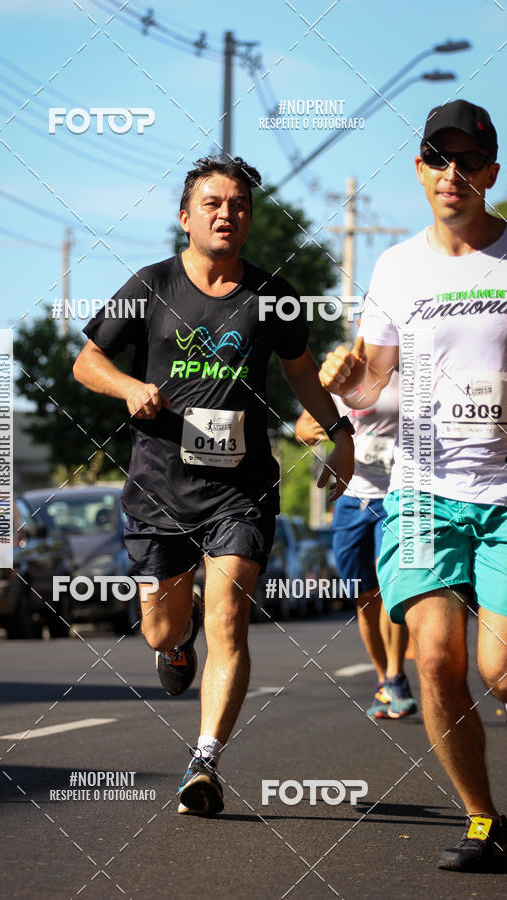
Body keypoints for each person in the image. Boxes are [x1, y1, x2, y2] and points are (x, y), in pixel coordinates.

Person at [73, 156, 355, 816]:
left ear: (250, 220)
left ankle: (204, 761)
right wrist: (130, 386)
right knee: (160, 627)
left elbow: (304, 376)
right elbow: (88, 361)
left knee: (228, 618)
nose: (227, 213)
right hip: (158, 487)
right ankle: (174, 648)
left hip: (241, 489)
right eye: (213, 204)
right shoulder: (150, 286)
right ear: (185, 217)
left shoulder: (272, 296)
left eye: (239, 206)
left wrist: (341, 432)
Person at [319, 100, 507, 871]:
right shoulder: (396, 267)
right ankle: (485, 823)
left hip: (504, 497)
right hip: (424, 491)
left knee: (500, 668)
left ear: (492, 171)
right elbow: (369, 385)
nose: (453, 173)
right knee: (434, 660)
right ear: (422, 169)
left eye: (469, 159)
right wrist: (344, 374)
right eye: (439, 158)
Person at [295, 366, 418, 719]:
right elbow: (303, 426)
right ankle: (384, 680)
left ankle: (396, 676)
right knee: (365, 595)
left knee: (392, 584)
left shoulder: (412, 372)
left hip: (397, 495)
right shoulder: (340, 375)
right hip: (350, 498)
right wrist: (326, 431)